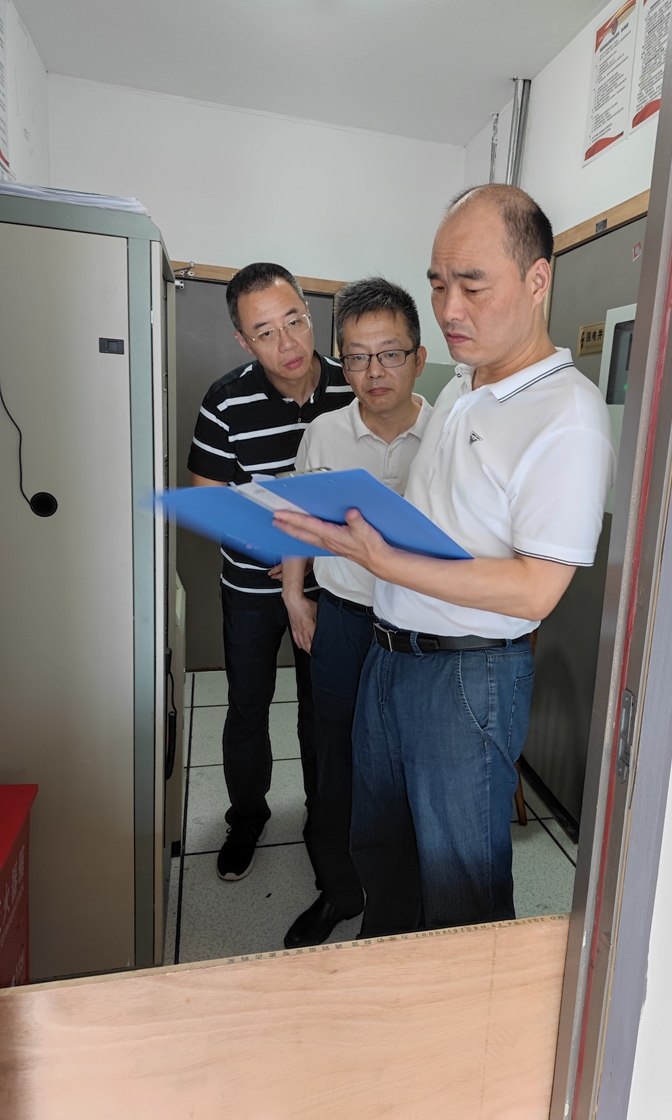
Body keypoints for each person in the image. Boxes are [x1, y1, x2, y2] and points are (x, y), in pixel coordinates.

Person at [274, 185, 616, 935]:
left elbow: (535, 591)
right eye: (437, 283)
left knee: (461, 886)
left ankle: (466, 1012)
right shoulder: (463, 386)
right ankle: (393, 983)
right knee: (382, 853)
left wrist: (384, 560)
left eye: (472, 285)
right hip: (389, 658)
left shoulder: (567, 415)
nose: (449, 308)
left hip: (466, 677)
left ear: (537, 278)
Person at [187, 262, 354, 881]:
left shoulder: (350, 384)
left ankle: (324, 820)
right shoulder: (225, 400)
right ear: (243, 340)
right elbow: (209, 501)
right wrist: (280, 560)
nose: (287, 343)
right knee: (248, 706)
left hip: (334, 587)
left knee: (325, 709)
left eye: (295, 321)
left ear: (311, 315)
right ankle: (246, 817)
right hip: (252, 588)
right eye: (265, 332)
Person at [280, 277, 432, 947]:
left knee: (410, 767)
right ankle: (340, 890)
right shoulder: (324, 434)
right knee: (334, 759)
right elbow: (297, 519)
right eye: (358, 357)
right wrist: (295, 594)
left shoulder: (450, 434)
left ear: (418, 358)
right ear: (341, 362)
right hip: (342, 620)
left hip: (423, 628)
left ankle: (401, 906)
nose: (374, 372)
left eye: (390, 354)